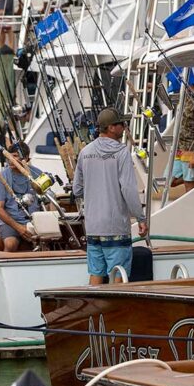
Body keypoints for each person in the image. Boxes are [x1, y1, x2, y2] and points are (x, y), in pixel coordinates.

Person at [73, 107, 147, 284]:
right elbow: (128, 189)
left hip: (92, 226)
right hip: (115, 227)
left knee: (96, 272)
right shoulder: (121, 152)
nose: (124, 127)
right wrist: (141, 217)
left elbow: (77, 189)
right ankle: (115, 311)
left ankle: (94, 310)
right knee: (118, 274)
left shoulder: (85, 152)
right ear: (111, 128)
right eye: (121, 124)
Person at [0, 142, 42, 252]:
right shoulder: (1, 178)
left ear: (26, 158)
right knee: (10, 244)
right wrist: (19, 228)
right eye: (9, 156)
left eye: (15, 156)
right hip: (10, 224)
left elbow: (49, 201)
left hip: (36, 222)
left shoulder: (37, 174)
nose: (10, 160)